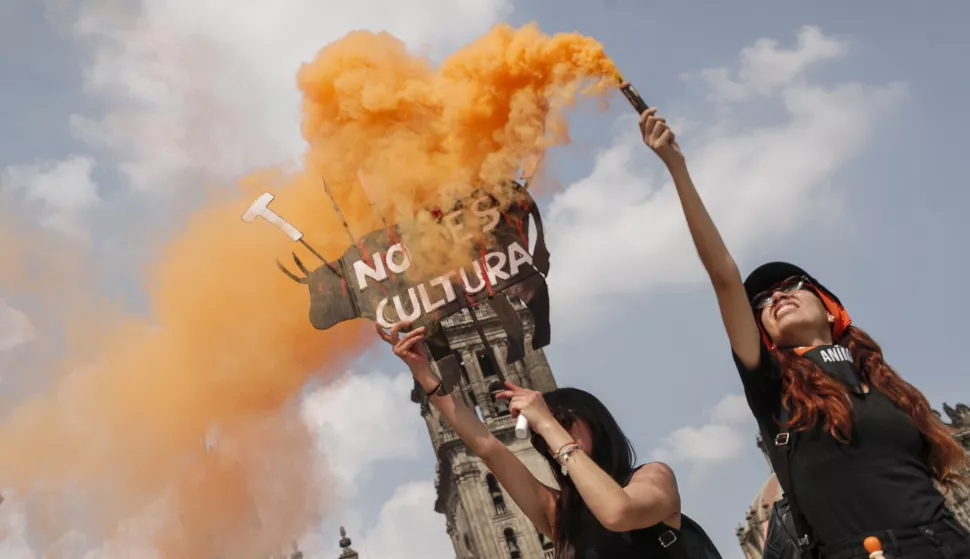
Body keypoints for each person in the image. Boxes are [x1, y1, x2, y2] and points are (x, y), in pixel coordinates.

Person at [640, 106, 970, 559]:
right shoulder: (773, 386)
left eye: (792, 285)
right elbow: (724, 278)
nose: (776, 295)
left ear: (831, 309)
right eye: (762, 301)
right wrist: (677, 167)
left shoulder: (881, 382)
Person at [376, 322, 721, 559]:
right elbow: (486, 446)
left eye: (564, 422)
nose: (553, 438)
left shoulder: (653, 478)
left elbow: (617, 512)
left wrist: (544, 420)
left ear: (595, 422)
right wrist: (424, 374)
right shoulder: (558, 513)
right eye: (543, 437)